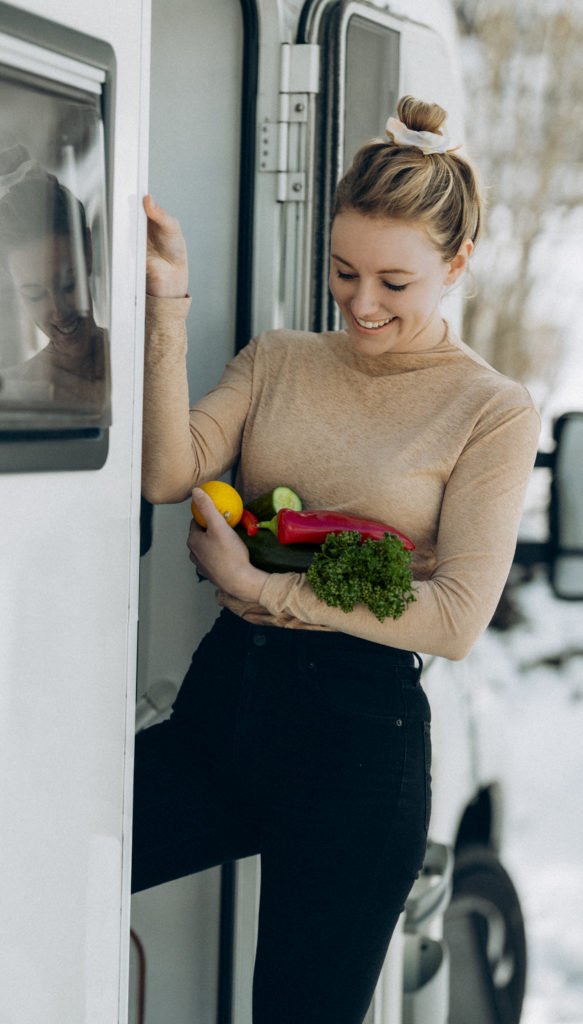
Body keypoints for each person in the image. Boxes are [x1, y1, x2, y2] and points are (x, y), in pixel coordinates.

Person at [132, 96, 540, 1023]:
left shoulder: (490, 410)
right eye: (343, 270)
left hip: (357, 755)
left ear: (456, 265)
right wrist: (166, 299)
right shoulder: (279, 359)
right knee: (35, 853)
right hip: (222, 714)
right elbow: (166, 472)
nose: (360, 303)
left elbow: (455, 619)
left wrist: (258, 585)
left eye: (394, 282)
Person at [0, 145, 109, 419]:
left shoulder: (140, 357)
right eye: (35, 295)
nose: (59, 312)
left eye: (68, 284)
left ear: (88, 250)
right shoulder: (11, 395)